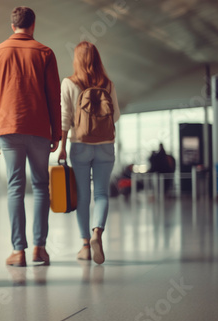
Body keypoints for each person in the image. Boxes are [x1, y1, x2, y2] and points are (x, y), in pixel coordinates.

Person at [0, 6, 61, 266]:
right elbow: (54, 97)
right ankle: (40, 249)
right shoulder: (45, 53)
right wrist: (57, 133)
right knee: (40, 187)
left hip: (8, 129)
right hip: (39, 129)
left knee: (15, 188)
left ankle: (19, 252)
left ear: (12, 25)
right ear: (33, 25)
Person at [59, 41, 120, 265]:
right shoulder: (108, 84)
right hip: (105, 144)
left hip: (80, 144)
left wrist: (62, 146)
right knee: (102, 194)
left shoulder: (69, 83)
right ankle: (97, 234)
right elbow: (115, 117)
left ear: (77, 59)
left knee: (83, 197)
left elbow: (65, 117)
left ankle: (85, 246)